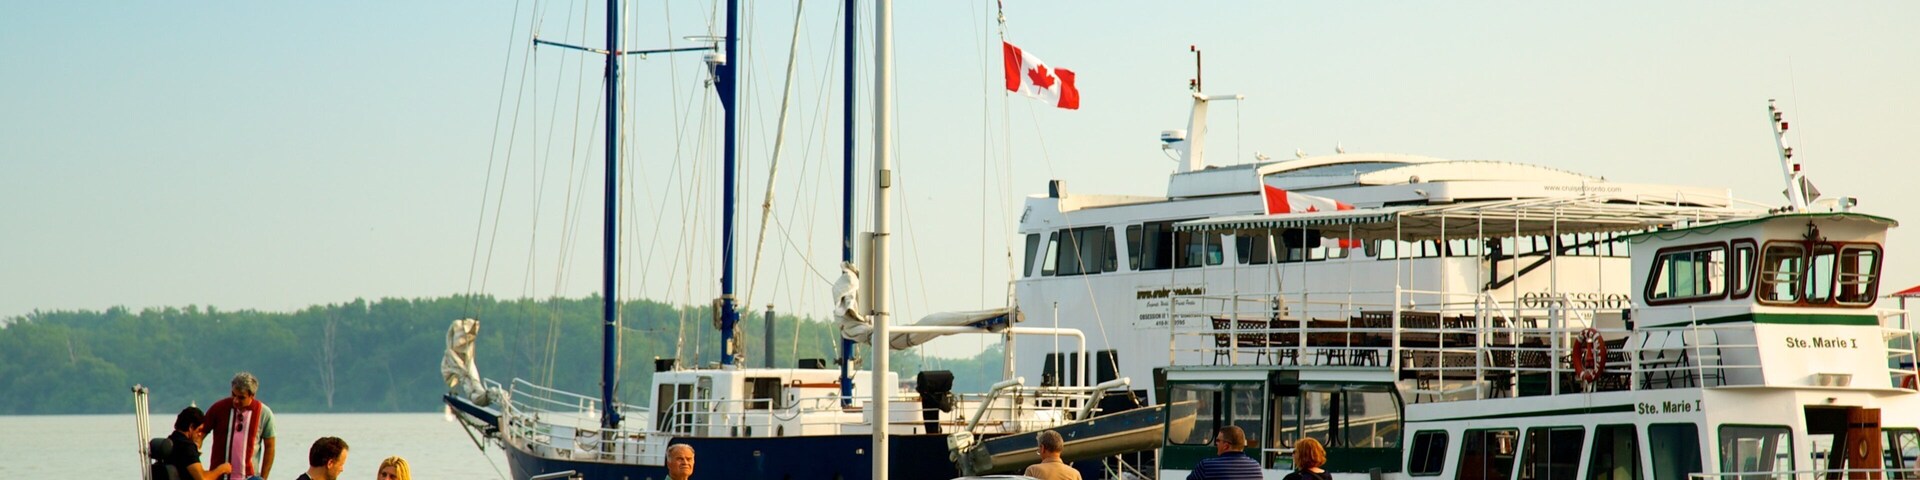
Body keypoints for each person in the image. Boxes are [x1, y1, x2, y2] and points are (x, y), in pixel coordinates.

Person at [204, 372, 269, 479]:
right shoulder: (218, 409)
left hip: (250, 477)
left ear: (252, 395)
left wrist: (263, 477)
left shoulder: (264, 413)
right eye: (233, 395)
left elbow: (270, 446)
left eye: (241, 397)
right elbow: (199, 434)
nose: (236, 400)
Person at [163, 406, 232, 480]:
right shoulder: (187, 446)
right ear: (191, 427)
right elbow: (202, 478)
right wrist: (222, 469)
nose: (200, 434)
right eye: (199, 430)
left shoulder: (170, 441)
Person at [1187, 425, 1262, 480]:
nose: (1216, 444)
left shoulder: (1206, 466)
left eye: (1218, 441)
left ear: (1226, 446)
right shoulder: (1255, 467)